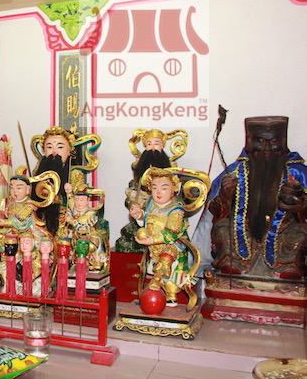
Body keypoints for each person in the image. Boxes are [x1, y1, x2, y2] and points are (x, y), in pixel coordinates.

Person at [202, 116, 307, 280]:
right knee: (222, 228)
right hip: (244, 231)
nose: (267, 148)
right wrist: (225, 196)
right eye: (260, 141)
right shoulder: (236, 171)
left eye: (273, 142)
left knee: (301, 233)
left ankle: (288, 267)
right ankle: (234, 264)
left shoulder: (297, 172)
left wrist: (300, 207)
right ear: (249, 142)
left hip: (283, 231)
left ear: (283, 141)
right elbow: (214, 209)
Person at [130, 167, 203, 308]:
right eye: (155, 188)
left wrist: (152, 240)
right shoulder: (150, 203)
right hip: (154, 248)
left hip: (173, 245)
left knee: (167, 263)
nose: (158, 192)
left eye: (164, 188)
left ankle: (158, 285)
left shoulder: (176, 210)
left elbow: (171, 233)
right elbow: (146, 218)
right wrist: (138, 215)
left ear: (173, 190)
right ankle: (161, 292)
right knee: (160, 271)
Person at [116, 129, 187, 253]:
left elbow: (180, 196)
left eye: (156, 143)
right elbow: (132, 195)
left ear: (162, 146)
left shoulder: (172, 171)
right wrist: (135, 206)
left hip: (167, 218)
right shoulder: (139, 174)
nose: (152, 148)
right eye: (149, 144)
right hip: (146, 215)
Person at [30, 126, 101, 238]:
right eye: (49, 147)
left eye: (60, 147)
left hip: (64, 220)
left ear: (69, 151)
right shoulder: (38, 171)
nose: (54, 152)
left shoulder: (74, 174)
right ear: (44, 151)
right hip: (39, 219)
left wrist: (69, 193)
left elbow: (78, 204)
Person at [0, 174, 58, 292]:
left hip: (30, 235)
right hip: (14, 236)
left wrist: (4, 222)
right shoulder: (10, 204)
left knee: (35, 258)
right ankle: (10, 284)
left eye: (19, 188)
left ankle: (35, 286)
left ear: (28, 190)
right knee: (2, 244)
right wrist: (0, 229)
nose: (14, 191)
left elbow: (20, 222)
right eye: (11, 188)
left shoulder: (29, 205)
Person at [65, 185, 109, 274]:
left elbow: (82, 227)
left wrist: (71, 221)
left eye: (81, 200)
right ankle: (77, 264)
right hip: (77, 239)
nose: (78, 203)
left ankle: (92, 266)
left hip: (91, 240)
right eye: (76, 200)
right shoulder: (75, 209)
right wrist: (68, 191)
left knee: (88, 250)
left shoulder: (91, 213)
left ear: (88, 200)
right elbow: (70, 201)